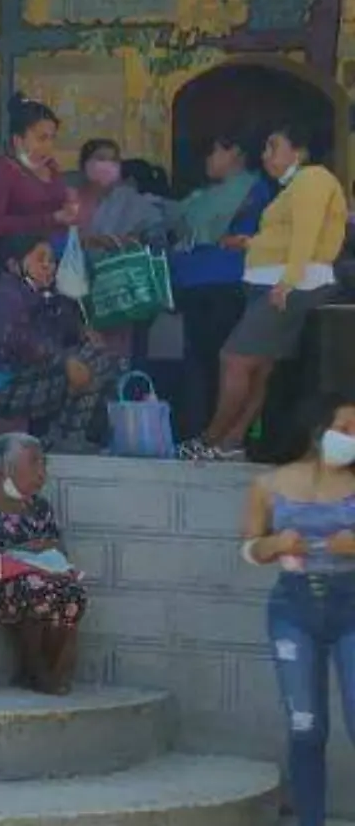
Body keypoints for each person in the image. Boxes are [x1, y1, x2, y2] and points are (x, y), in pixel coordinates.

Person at [183, 124, 349, 462]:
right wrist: (250, 243)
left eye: (273, 147)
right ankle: (231, 442)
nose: (265, 155)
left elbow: (306, 235)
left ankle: (210, 439)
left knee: (234, 358)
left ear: (298, 152)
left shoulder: (313, 179)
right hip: (273, 283)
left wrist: (287, 282)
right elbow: (285, 237)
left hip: (290, 286)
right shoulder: (292, 187)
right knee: (259, 369)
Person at [239, 393, 355, 826]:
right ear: (317, 431)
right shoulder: (268, 486)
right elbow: (249, 549)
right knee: (306, 727)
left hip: (351, 606)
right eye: (346, 429)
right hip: (294, 607)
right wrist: (274, 544)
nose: (353, 439)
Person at [0, 433, 86, 694]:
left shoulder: (39, 507)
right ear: (5, 468)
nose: (42, 473)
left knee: (72, 593)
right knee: (34, 588)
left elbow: (58, 547)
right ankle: (34, 668)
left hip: (36, 579)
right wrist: (16, 553)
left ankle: (57, 666)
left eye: (44, 464)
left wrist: (45, 553)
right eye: (34, 463)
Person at [0, 234, 126, 451]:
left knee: (110, 362)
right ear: (14, 265)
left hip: (36, 379)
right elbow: (20, 339)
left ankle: (92, 436)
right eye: (40, 259)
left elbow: (63, 328)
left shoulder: (49, 298)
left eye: (52, 260)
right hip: (1, 387)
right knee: (88, 362)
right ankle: (64, 439)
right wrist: (65, 361)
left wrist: (82, 331)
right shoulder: (1, 295)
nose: (48, 266)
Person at [170, 135, 276, 436]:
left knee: (223, 363)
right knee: (200, 363)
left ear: (237, 153)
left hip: (226, 287)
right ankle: (200, 432)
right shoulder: (205, 196)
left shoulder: (252, 191)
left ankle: (221, 435)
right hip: (195, 286)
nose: (208, 160)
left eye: (214, 151)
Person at [0, 94, 76, 247]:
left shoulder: (51, 166)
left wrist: (70, 204)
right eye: (42, 138)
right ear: (18, 140)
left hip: (57, 256)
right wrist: (51, 219)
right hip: (18, 261)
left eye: (52, 138)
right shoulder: (0, 170)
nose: (49, 146)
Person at [70, 138, 168, 252]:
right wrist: (90, 242)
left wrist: (132, 241)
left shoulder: (128, 198)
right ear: (84, 165)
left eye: (114, 160)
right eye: (101, 159)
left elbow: (155, 228)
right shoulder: (70, 198)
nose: (108, 165)